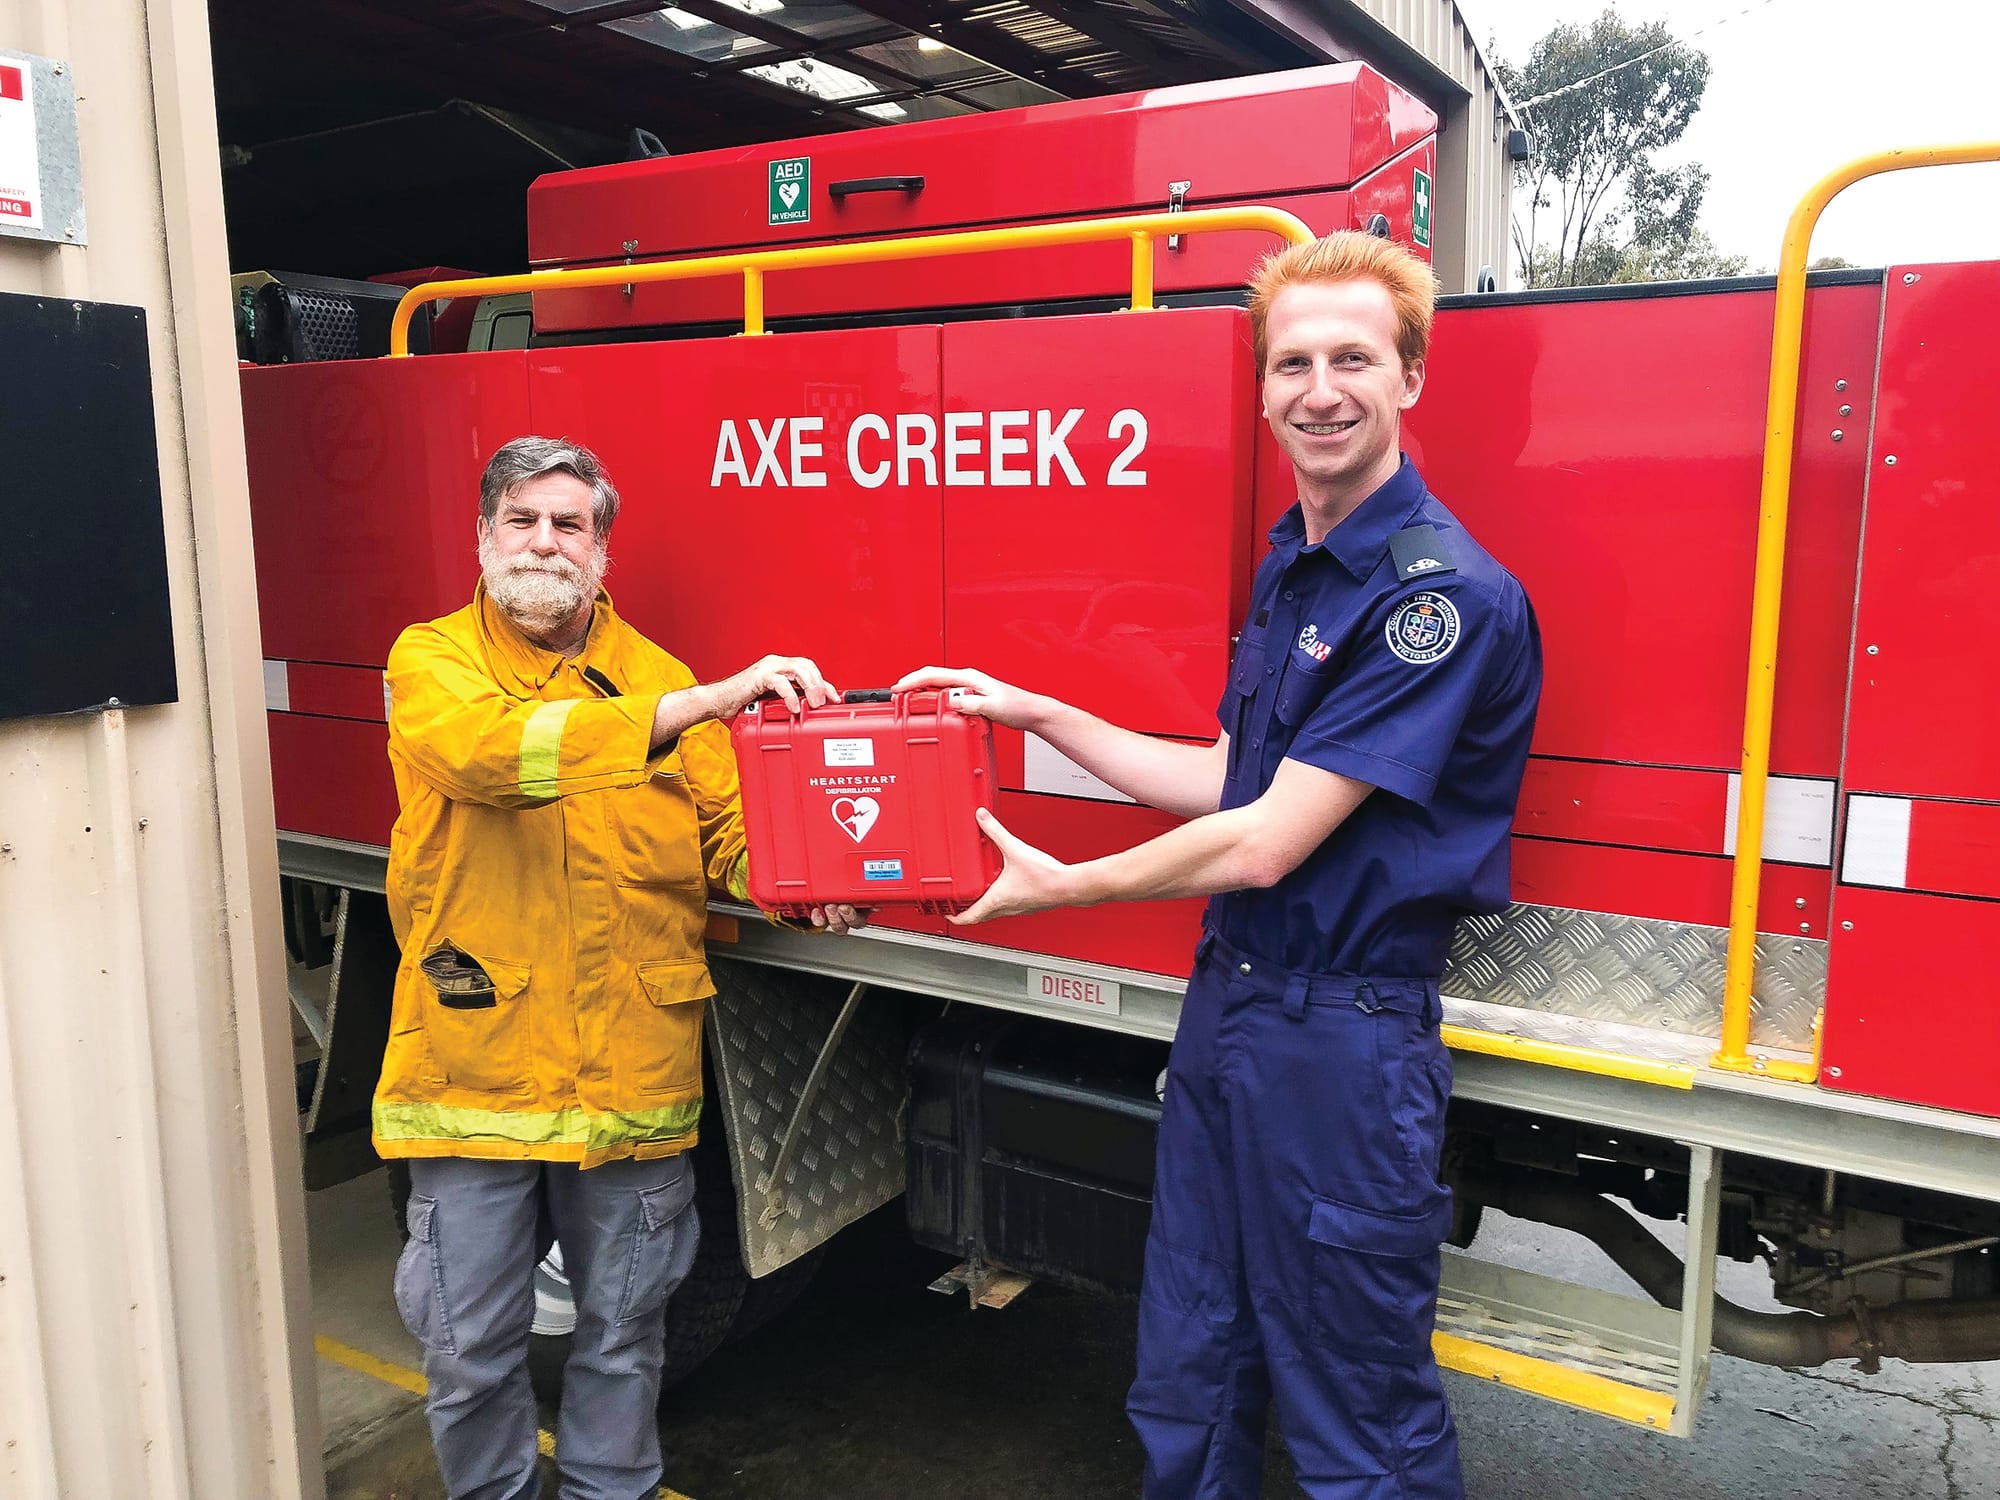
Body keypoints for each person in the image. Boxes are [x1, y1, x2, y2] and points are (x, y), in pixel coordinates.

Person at [896, 232, 1541, 1499]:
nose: (1319, 388)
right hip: (1233, 1012)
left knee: (1357, 1407)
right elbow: (1225, 777)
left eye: (1352, 356)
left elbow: (1263, 840)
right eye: (1291, 361)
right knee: (1192, 1356)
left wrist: (1063, 887)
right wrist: (1034, 710)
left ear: (1408, 375)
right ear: (1258, 392)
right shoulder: (1291, 567)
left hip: (1341, 1041)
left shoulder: (1438, 598)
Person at [377, 435, 863, 1500]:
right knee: (469, 1354)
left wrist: (803, 881)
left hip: (628, 1076)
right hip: (477, 1074)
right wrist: (695, 707)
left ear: (603, 551)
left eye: (570, 524)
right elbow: (492, 757)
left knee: (623, 1341)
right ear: (483, 535)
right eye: (523, 520)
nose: (544, 542)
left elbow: (727, 842)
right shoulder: (433, 663)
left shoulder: (659, 680)